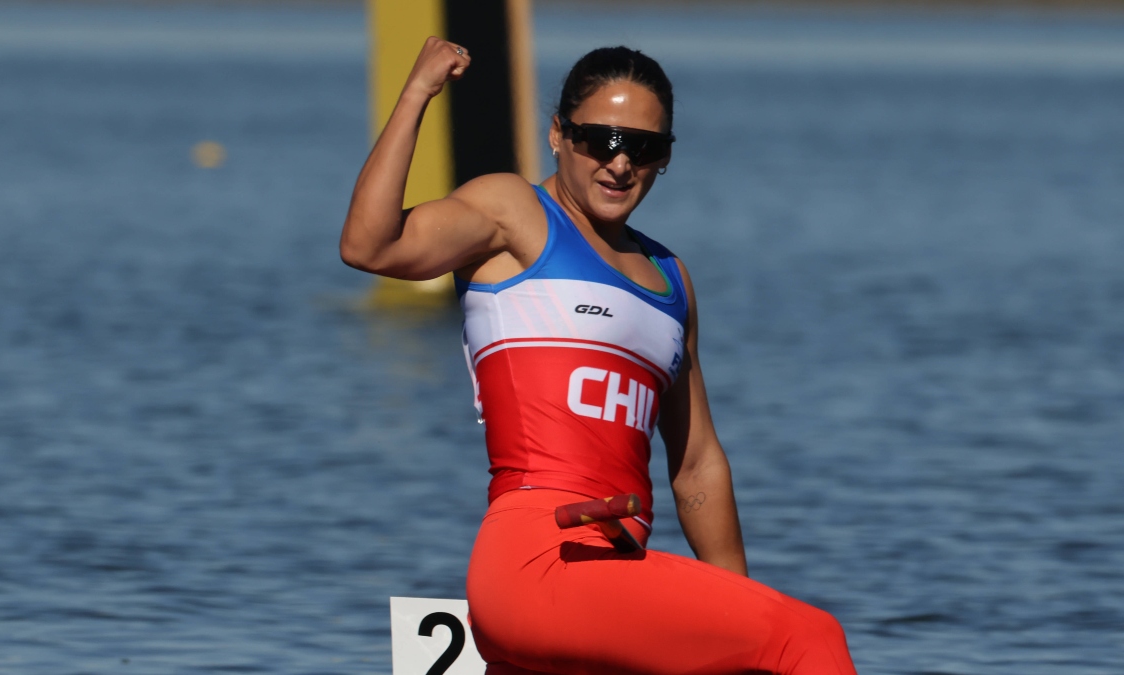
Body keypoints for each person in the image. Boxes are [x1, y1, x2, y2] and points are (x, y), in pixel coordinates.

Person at [341, 36, 858, 675]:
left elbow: (696, 465)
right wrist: (418, 93)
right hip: (535, 561)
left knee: (760, 641)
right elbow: (371, 245)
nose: (620, 164)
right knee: (807, 639)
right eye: (600, 140)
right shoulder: (514, 214)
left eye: (644, 148)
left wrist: (737, 608)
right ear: (558, 135)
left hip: (614, 571)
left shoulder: (671, 279)